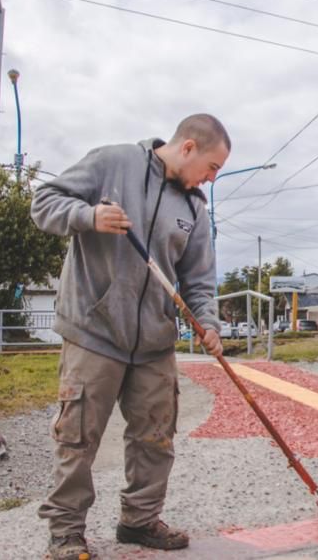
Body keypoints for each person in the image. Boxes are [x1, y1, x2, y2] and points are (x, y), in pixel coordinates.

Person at [31, 114, 229, 559]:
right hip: (94, 331)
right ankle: (66, 533)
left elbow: (198, 279)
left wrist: (209, 324)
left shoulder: (194, 208)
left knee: (156, 436)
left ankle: (139, 521)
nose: (211, 180)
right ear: (189, 148)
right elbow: (43, 203)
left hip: (154, 343)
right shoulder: (112, 163)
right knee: (78, 437)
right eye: (212, 168)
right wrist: (87, 215)